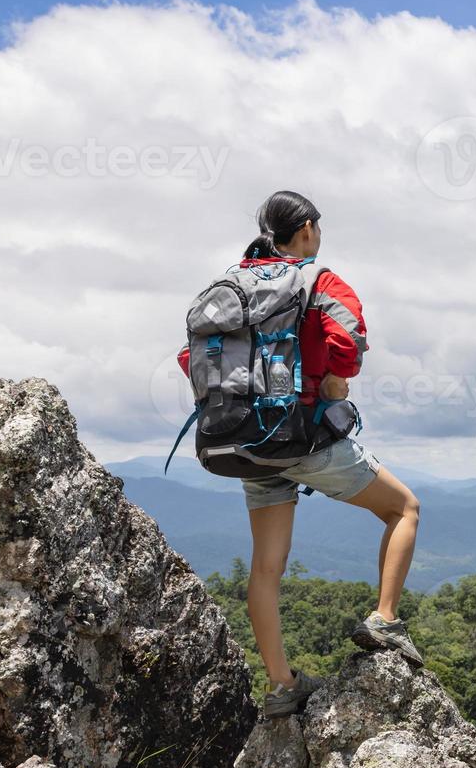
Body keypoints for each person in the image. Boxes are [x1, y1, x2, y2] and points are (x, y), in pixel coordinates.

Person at [178, 191, 422, 720]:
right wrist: (334, 382)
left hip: (243, 442)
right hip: (301, 436)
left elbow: (189, 357)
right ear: (307, 228)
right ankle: (383, 619)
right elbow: (349, 339)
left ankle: (282, 685)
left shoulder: (228, 284)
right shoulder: (318, 280)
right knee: (404, 509)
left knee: (266, 567)